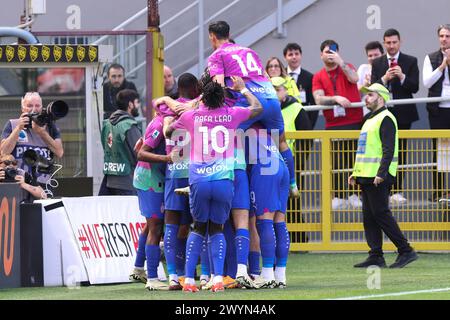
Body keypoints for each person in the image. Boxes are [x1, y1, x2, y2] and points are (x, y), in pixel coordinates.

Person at [165, 73, 262, 293]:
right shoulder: (232, 114)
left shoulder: (192, 116)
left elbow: (170, 132)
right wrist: (244, 89)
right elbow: (258, 109)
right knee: (218, 228)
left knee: (198, 228)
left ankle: (189, 280)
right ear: (221, 98)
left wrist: (171, 120)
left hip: (198, 180)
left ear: (203, 98)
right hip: (223, 181)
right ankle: (218, 279)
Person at [207, 20, 299, 197]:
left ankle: (208, 179)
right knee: (281, 142)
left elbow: (217, 86)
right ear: (229, 34)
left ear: (212, 36)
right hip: (270, 98)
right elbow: (264, 76)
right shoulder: (249, 51)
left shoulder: (217, 55)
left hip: (248, 101)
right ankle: (293, 184)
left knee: (221, 136)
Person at [349, 83, 418, 268]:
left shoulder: (386, 118)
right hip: (367, 176)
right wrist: (355, 173)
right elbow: (363, 150)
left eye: (370, 95)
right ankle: (376, 255)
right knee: (369, 217)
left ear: (380, 98)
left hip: (378, 176)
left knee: (381, 214)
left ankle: (406, 250)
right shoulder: (370, 119)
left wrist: (381, 173)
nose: (366, 98)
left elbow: (388, 149)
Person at [312, 40, 363, 210]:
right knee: (337, 161)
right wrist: (335, 98)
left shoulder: (346, 66)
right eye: (327, 52)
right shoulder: (318, 76)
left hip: (354, 121)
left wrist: (341, 62)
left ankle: (354, 193)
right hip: (333, 124)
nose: (330, 55)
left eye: (333, 52)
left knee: (354, 160)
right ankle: (339, 195)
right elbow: (318, 98)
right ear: (321, 55)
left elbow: (355, 78)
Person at [371, 28, 420, 205]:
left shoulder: (410, 61)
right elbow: (372, 89)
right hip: (382, 114)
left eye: (394, 42)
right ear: (384, 43)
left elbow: (414, 87)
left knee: (401, 152)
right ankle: (383, 188)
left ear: (400, 42)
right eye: (388, 42)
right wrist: (384, 78)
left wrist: (402, 76)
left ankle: (397, 190)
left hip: (403, 114)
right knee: (382, 151)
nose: (391, 46)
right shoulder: (377, 63)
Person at [128, 107, 170, 291]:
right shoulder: (160, 124)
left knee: (151, 224)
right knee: (156, 227)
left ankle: (138, 268)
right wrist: (167, 158)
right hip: (149, 179)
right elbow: (141, 153)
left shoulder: (160, 121)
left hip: (151, 177)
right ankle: (152, 278)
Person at [1, 92, 64, 187]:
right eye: (29, 105)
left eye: (37, 105)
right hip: (18, 182)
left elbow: (59, 152)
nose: (34, 109)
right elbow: (3, 152)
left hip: (44, 184)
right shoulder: (12, 124)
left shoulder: (50, 126)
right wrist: (18, 128)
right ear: (23, 108)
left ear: (42, 107)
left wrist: (41, 132)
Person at [423, 24, 450, 201]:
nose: (444, 39)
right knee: (439, 150)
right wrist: (442, 66)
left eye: (447, 36)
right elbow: (427, 83)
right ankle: (439, 191)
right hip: (438, 110)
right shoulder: (431, 57)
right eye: (441, 36)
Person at [99, 89, 142, 196]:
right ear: (130, 104)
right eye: (137, 102)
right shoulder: (129, 126)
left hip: (109, 181)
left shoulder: (106, 124)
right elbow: (140, 154)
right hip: (128, 182)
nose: (138, 106)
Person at [283, 42, 318, 128]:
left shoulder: (309, 77)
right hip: (284, 122)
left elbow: (314, 104)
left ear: (300, 56)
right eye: (290, 54)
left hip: (303, 121)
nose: (294, 57)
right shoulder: (281, 75)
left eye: (297, 54)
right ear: (285, 57)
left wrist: (310, 125)